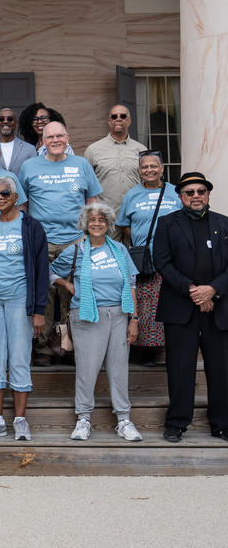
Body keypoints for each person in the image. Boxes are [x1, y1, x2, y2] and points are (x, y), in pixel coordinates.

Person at [50, 203, 142, 442]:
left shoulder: (120, 250)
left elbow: (131, 284)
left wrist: (134, 318)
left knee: (119, 369)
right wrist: (67, 285)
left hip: (120, 315)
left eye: (102, 220)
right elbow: (49, 271)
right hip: (87, 316)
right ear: (85, 224)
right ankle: (83, 418)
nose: (97, 223)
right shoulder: (76, 250)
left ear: (108, 224)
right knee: (87, 370)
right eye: (92, 220)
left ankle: (124, 419)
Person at [0, 177, 49, 441]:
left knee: (19, 356)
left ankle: (20, 419)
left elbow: (41, 269)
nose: (0, 198)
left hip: (19, 298)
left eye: (5, 193)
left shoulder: (31, 226)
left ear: (16, 197)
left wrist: (39, 310)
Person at [152, 171, 228, 443]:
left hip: (218, 308)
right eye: (190, 192)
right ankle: (176, 423)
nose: (196, 196)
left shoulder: (224, 223)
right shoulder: (167, 224)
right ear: (181, 196)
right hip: (180, 306)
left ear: (208, 194)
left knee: (221, 369)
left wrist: (213, 291)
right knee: (180, 368)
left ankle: (221, 423)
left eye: (201, 191)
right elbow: (162, 261)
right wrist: (194, 291)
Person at [19, 121, 103, 366]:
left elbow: (93, 201)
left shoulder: (81, 165)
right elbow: (22, 205)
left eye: (59, 136)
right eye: (49, 137)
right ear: (42, 141)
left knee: (74, 294)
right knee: (43, 293)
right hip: (41, 240)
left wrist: (92, 235)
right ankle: (44, 347)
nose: (55, 140)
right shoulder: (29, 167)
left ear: (68, 138)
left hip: (76, 240)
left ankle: (71, 346)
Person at [117, 152, 180, 366]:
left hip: (172, 259)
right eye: (145, 167)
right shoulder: (132, 195)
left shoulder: (174, 193)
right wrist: (141, 242)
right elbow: (124, 224)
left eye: (154, 166)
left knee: (168, 303)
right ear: (139, 171)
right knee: (143, 305)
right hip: (144, 260)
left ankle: (164, 349)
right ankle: (144, 351)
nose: (150, 170)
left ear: (162, 169)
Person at [84, 104, 147, 211]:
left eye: (122, 116)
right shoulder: (93, 150)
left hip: (134, 213)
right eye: (114, 116)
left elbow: (148, 182)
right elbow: (86, 185)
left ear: (129, 121)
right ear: (109, 121)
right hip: (105, 216)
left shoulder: (141, 150)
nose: (118, 119)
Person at [0, 107, 36, 175]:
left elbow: (34, 175)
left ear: (16, 124)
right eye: (1, 119)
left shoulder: (29, 149)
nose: (5, 121)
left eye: (10, 119)